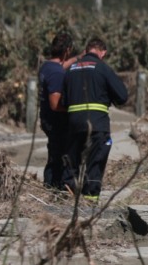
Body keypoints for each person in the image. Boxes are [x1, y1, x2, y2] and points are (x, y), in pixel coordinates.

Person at [63, 37, 128, 201]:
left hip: (73, 124)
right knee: (95, 164)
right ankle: (90, 203)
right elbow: (122, 96)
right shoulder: (103, 68)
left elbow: (63, 101)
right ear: (103, 52)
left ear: (86, 50)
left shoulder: (70, 69)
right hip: (97, 124)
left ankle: (67, 199)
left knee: (72, 164)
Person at [38, 31, 75, 190]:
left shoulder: (47, 66)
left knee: (54, 153)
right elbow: (55, 104)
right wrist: (73, 108)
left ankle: (51, 187)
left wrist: (78, 58)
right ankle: (54, 188)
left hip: (47, 118)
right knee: (59, 157)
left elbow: (61, 66)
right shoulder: (56, 73)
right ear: (67, 50)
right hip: (56, 122)